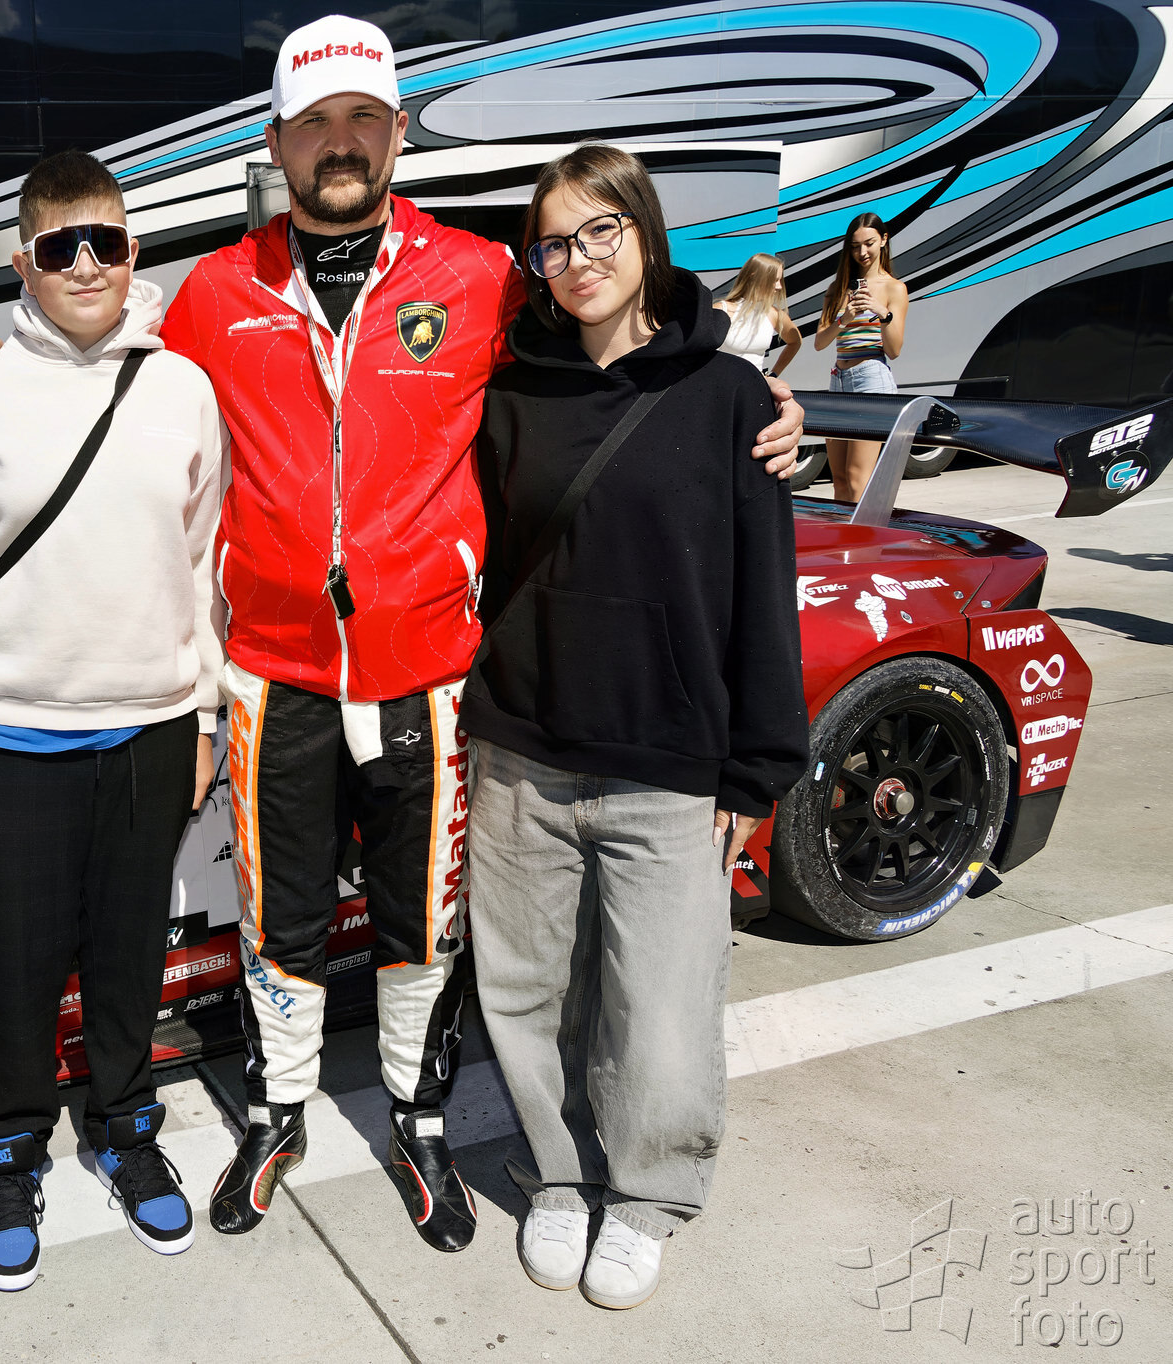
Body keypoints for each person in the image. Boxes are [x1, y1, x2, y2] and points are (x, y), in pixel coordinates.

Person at [0, 16, 809, 1255]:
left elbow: (616, 339)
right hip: (274, 669)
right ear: (275, 141)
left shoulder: (480, 275)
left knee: (420, 921)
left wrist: (746, 382)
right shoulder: (214, 291)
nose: (338, 143)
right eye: (314, 124)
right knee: (278, 919)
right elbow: (95, 353)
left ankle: (417, 1115)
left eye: (360, 120)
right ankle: (277, 1111)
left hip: (429, 673)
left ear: (397, 132)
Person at [463, 144, 808, 1310]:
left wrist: (756, 768)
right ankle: (557, 1176)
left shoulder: (731, 399)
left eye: (598, 230)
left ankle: (649, 1192)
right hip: (520, 748)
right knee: (527, 998)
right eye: (553, 243)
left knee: (659, 1014)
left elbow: (760, 588)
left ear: (644, 233)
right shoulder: (510, 391)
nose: (576, 259)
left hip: (667, 762)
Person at [0, 151, 226, 1292]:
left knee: (129, 956)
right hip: (10, 736)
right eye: (59, 247)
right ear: (23, 265)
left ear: (133, 253)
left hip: (151, 730)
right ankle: (10, 1149)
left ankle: (125, 1126)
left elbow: (201, 566)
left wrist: (205, 713)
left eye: (105, 243)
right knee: (19, 971)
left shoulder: (181, 389)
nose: (86, 265)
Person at [814, 213, 909, 501]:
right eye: (855, 246)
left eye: (868, 243)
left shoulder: (894, 288)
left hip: (871, 379)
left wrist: (883, 313)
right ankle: (844, 531)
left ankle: (861, 531)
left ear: (883, 240)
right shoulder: (838, 288)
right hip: (839, 380)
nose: (862, 252)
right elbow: (820, 342)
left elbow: (894, 350)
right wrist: (844, 319)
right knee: (840, 480)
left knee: (857, 479)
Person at [718, 252, 801, 376]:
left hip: (755, 383)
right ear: (754, 278)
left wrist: (773, 375)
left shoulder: (773, 314)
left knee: (783, 389)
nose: (779, 286)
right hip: (723, 382)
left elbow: (795, 341)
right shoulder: (722, 309)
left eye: (780, 280)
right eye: (775, 280)